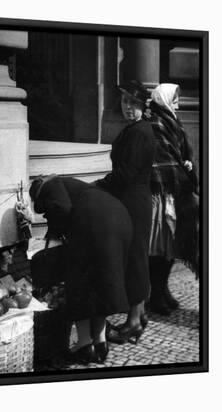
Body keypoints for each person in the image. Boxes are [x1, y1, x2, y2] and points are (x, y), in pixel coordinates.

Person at [29, 175, 132, 364]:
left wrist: (53, 236)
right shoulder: (75, 186)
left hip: (94, 222)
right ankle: (100, 344)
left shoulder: (51, 184)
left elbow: (61, 208)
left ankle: (84, 346)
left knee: (78, 285)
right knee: (99, 284)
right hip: (120, 219)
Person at [95, 80, 155, 345]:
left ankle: (133, 321)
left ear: (143, 106)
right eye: (124, 102)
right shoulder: (136, 129)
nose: (128, 107)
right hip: (131, 201)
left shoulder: (140, 132)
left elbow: (126, 174)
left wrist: (98, 185)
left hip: (133, 202)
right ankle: (138, 316)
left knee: (135, 260)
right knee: (135, 258)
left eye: (134, 103)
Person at [148, 83, 199, 315]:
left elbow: (179, 154)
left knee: (171, 246)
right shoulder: (157, 123)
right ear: (163, 99)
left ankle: (163, 290)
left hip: (173, 191)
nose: (178, 103)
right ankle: (156, 295)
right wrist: (184, 169)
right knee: (161, 246)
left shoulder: (171, 121)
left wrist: (187, 163)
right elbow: (163, 160)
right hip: (160, 193)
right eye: (175, 99)